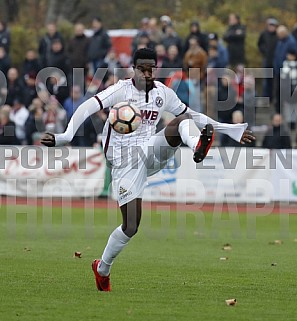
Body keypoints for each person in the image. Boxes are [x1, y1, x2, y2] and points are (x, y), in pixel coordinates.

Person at [40, 48, 255, 292]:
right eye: (142, 68)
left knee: (182, 121)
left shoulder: (163, 93)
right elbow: (86, 107)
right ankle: (102, 268)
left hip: (149, 151)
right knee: (131, 226)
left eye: (151, 68)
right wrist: (65, 136)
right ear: (133, 68)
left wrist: (230, 129)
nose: (147, 72)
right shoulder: (120, 90)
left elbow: (193, 114)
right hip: (124, 162)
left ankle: (197, 146)